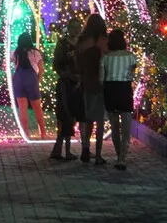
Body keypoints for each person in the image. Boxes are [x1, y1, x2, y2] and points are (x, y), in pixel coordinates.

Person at [100, 29, 138, 170]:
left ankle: (118, 156)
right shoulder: (131, 57)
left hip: (110, 89)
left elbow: (101, 78)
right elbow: (132, 75)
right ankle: (123, 158)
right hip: (124, 89)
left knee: (114, 126)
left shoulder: (106, 58)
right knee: (126, 125)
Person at [75, 13, 109, 164]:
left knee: (86, 118)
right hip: (101, 84)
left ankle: (85, 148)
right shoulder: (104, 40)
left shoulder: (82, 41)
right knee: (100, 121)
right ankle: (99, 154)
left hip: (86, 83)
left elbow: (77, 63)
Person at [50, 18, 82, 160]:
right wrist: (68, 75)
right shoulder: (62, 44)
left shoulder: (82, 44)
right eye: (73, 27)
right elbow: (56, 65)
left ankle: (69, 149)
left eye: (78, 27)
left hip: (80, 84)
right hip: (66, 84)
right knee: (65, 116)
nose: (76, 30)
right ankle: (61, 149)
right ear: (68, 28)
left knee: (75, 116)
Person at [11, 32, 46, 139]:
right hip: (31, 80)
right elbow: (41, 70)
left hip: (19, 80)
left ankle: (26, 134)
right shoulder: (35, 53)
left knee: (22, 108)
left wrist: (13, 77)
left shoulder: (15, 53)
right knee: (37, 108)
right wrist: (37, 81)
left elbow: (5, 66)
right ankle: (43, 133)